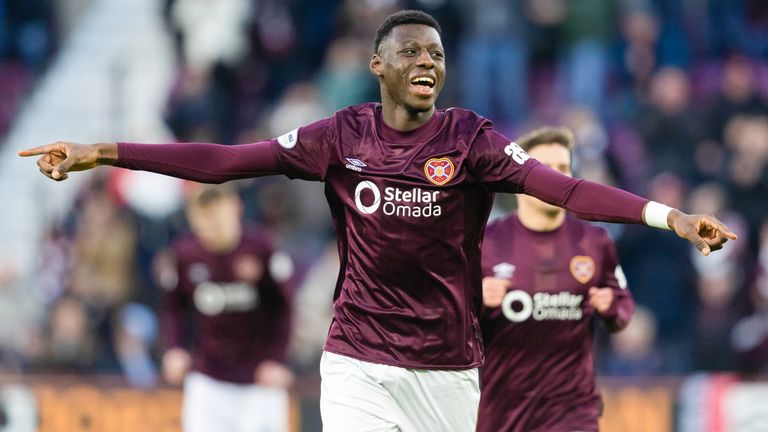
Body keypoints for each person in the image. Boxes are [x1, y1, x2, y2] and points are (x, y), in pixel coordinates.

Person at [20, 9, 736, 431]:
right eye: (412, 52)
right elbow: (226, 160)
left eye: (437, 54)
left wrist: (667, 217)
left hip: (448, 370)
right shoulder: (341, 136)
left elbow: (568, 189)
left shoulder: (471, 139)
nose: (428, 62)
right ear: (377, 64)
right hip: (357, 358)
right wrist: (102, 152)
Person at [477, 127, 635, 432]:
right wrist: (476, 299)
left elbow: (623, 306)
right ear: (520, 179)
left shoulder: (595, 242)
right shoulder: (485, 242)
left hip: (573, 411)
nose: (557, 179)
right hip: (504, 412)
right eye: (546, 170)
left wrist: (612, 308)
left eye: (563, 169)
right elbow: (448, 319)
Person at [156, 184, 294, 432]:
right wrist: (175, 348)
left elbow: (284, 308)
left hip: (260, 381)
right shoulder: (184, 254)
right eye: (203, 225)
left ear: (236, 210)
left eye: (217, 224)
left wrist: (276, 359)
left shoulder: (262, 248)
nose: (211, 233)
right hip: (208, 381)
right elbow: (173, 307)